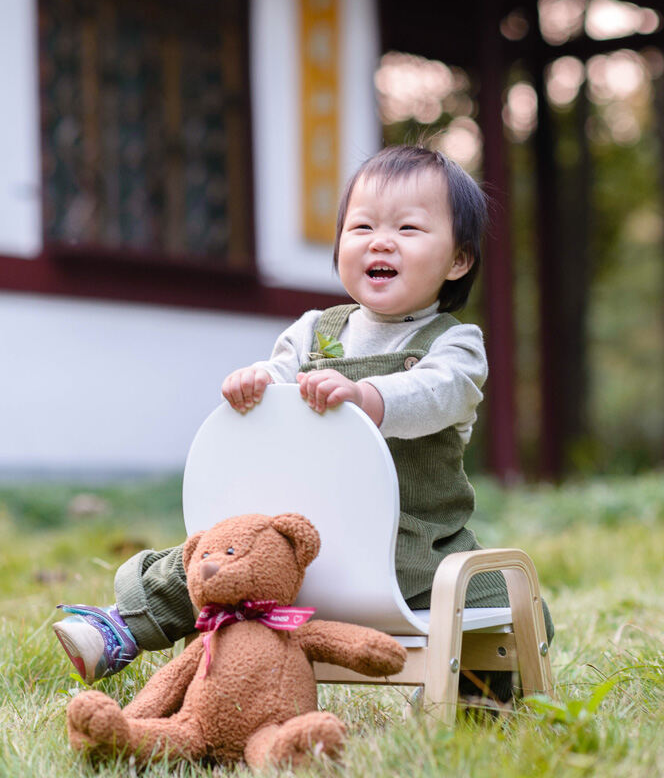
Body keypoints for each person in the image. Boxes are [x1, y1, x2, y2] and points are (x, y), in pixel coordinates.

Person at [53, 144, 554, 702]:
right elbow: (276, 377)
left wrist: (368, 397)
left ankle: (478, 690)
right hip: (298, 538)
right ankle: (122, 626)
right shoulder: (314, 332)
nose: (380, 241)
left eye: (408, 228)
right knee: (218, 553)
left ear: (458, 260)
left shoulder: (454, 345)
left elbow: (440, 393)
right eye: (361, 226)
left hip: (412, 549)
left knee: (509, 601)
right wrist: (256, 382)